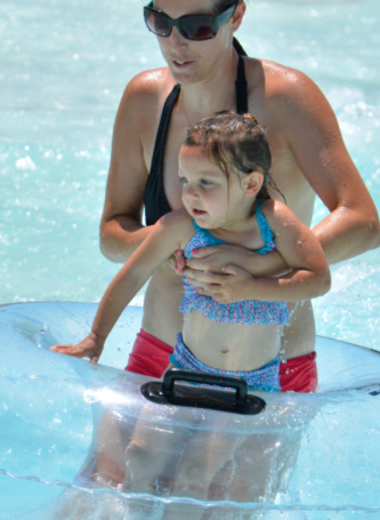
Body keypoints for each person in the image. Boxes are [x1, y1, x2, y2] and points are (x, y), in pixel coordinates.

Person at [98, 0, 380, 394]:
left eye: (197, 27)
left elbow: (363, 223)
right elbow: (113, 236)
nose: (175, 43)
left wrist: (258, 264)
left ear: (236, 16)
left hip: (269, 368)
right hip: (162, 350)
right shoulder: (144, 99)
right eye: (160, 22)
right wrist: (175, 244)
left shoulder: (286, 98)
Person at [53, 111, 330, 507]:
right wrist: (95, 338)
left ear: (252, 183)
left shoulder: (275, 223)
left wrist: (252, 286)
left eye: (206, 183)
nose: (191, 194)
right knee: (141, 457)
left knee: (196, 474)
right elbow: (131, 277)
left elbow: (319, 278)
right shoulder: (181, 227)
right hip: (184, 370)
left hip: (248, 385)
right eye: (185, 181)